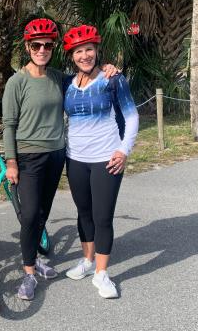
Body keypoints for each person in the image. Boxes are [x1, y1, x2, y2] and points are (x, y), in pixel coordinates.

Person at [2, 18, 118, 300]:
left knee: (42, 212)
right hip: (28, 157)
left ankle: (36, 261)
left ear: (53, 48)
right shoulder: (17, 82)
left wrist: (107, 68)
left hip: (56, 155)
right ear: (28, 47)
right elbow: (9, 124)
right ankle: (28, 272)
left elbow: (85, 74)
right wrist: (11, 162)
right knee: (29, 215)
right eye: (36, 45)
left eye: (47, 45)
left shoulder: (58, 78)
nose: (42, 49)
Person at [61, 25, 139, 299]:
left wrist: (123, 150)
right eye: (79, 51)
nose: (85, 55)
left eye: (89, 49)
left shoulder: (113, 80)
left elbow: (131, 117)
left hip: (106, 159)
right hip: (75, 159)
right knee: (84, 214)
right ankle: (87, 260)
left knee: (102, 216)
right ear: (72, 55)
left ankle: (102, 274)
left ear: (96, 51)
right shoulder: (67, 84)